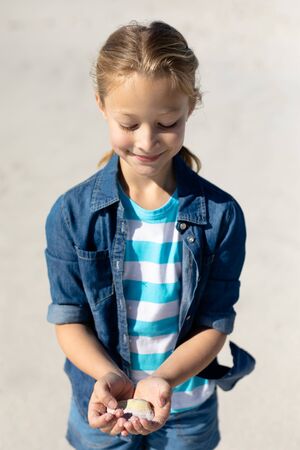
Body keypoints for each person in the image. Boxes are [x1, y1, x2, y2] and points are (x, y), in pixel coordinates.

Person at [44, 20, 255, 450]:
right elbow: (69, 320)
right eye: (129, 124)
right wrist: (108, 376)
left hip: (186, 405)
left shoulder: (221, 216)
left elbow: (215, 324)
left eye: (166, 122)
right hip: (101, 407)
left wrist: (164, 380)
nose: (147, 141)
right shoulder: (72, 214)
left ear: (189, 107)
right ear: (101, 104)